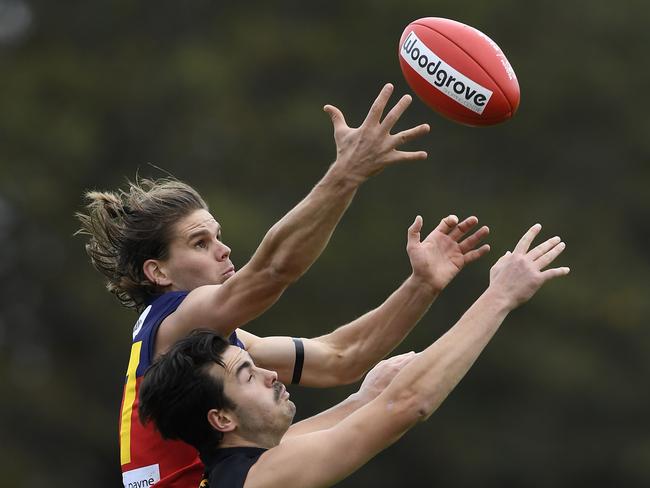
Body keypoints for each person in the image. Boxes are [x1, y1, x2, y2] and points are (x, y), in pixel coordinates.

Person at [76, 83, 491, 487]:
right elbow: (272, 271)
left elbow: (342, 357)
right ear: (158, 272)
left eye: (218, 236)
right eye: (200, 243)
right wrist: (347, 172)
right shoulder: (179, 322)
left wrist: (422, 285)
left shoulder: (212, 349)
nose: (224, 251)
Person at [138, 223, 570, 488]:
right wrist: (498, 297)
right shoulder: (259, 479)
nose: (271, 375)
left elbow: (350, 382)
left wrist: (365, 397)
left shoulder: (243, 466)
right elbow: (406, 405)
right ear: (222, 420)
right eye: (249, 375)